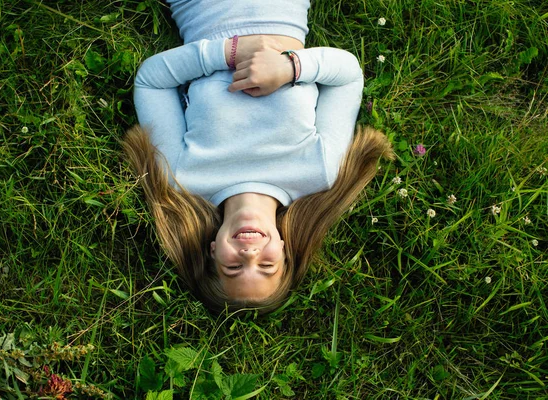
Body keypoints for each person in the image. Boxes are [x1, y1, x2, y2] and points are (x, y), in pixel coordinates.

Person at [123, 0, 394, 313]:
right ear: (284, 250)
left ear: (212, 252)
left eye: (233, 268)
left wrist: (229, 52)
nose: (250, 254)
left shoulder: (181, 177)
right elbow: (347, 75)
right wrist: (291, 67)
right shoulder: (318, 172)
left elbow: (151, 82)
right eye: (267, 267)